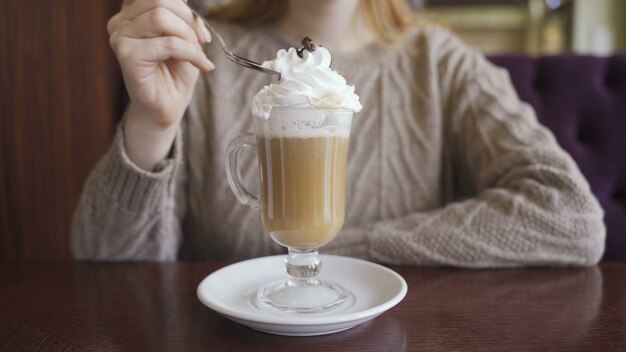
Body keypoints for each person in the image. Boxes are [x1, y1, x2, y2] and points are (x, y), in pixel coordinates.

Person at [71, 0, 606, 266]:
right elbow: (103, 269)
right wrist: (151, 123)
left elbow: (572, 218)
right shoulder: (202, 59)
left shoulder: (440, 64)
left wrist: (327, 246)